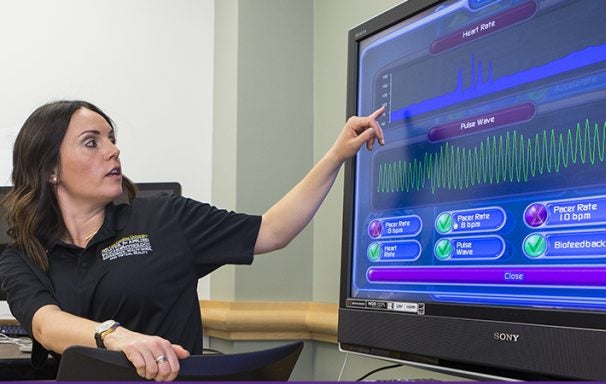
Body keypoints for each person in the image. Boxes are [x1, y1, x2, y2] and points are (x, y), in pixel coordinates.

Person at [0, 100, 384, 381]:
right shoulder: (23, 255)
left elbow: (272, 230)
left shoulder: (165, 217)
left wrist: (336, 155)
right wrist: (118, 338)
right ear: (50, 169)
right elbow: (46, 325)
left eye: (111, 139)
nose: (112, 150)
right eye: (91, 142)